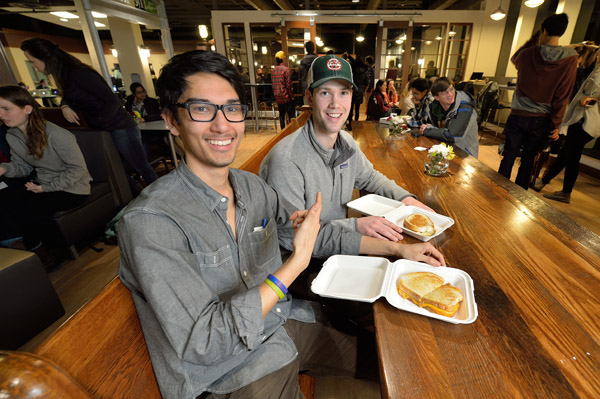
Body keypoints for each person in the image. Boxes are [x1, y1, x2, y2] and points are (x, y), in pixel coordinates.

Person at [118, 50, 444, 399]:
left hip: (283, 324)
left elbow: (311, 231)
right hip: (231, 377)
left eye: (231, 108)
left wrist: (399, 248)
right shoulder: (151, 221)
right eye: (201, 109)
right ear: (171, 120)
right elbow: (206, 342)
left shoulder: (251, 187)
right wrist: (293, 268)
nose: (222, 125)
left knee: (392, 360)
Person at [260, 54, 437, 248]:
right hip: (299, 264)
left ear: (352, 96)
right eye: (325, 93)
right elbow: (290, 236)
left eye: (343, 93)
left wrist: (406, 199)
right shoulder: (286, 159)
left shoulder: (345, 141)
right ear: (309, 98)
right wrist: (355, 226)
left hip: (335, 245)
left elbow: (369, 177)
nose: (335, 104)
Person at [20, 37, 158, 187]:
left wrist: (97, 122)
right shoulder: (64, 75)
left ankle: (164, 200)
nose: (33, 66)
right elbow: (69, 96)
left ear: (45, 58)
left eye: (32, 61)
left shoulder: (78, 73)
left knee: (142, 167)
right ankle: (140, 193)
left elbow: (113, 101)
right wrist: (64, 106)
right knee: (112, 170)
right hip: (102, 128)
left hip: (119, 127)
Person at [0, 85, 90, 251]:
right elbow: (23, 167)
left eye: (6, 109)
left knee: (27, 209)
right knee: (4, 198)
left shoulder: (56, 134)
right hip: (41, 184)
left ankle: (37, 251)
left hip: (73, 189)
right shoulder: (12, 134)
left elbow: (78, 170)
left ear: (27, 109)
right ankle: (13, 248)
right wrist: (4, 169)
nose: (1, 114)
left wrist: (45, 188)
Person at [497, 14, 578, 190]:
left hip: (518, 115)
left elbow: (515, 58)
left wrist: (535, 38)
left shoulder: (528, 54)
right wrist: (555, 124)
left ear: (544, 31)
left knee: (509, 155)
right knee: (528, 159)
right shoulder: (570, 58)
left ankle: (497, 191)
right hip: (541, 119)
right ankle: (519, 199)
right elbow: (562, 94)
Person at [533, 51, 600, 203]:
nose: (597, 54)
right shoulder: (597, 68)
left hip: (586, 119)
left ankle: (565, 191)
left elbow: (593, 88)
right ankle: (545, 182)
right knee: (567, 153)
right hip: (584, 119)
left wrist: (590, 98)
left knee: (571, 156)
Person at [418, 77, 479, 158]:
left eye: (451, 89)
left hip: (465, 155)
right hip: (446, 150)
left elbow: (453, 135)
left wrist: (427, 130)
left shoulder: (465, 108)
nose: (450, 94)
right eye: (444, 92)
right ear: (436, 97)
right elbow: (437, 128)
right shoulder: (434, 108)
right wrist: (430, 127)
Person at [342, 52, 368, 130]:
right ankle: (356, 124)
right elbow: (366, 82)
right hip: (360, 90)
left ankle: (350, 123)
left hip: (352, 89)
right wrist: (364, 91)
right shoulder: (365, 70)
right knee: (357, 109)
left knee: (350, 108)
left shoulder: (352, 68)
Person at [271, 50, 295, 129]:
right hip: (286, 97)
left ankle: (282, 131)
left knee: (281, 114)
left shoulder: (273, 71)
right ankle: (291, 131)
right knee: (291, 115)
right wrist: (292, 96)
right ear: (283, 59)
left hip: (278, 97)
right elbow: (289, 85)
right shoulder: (286, 70)